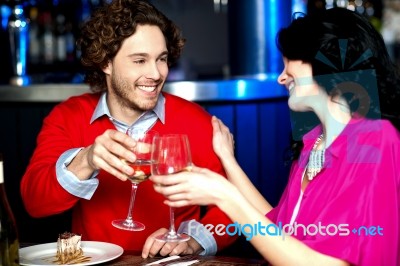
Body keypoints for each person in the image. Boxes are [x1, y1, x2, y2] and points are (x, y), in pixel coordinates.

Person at [150, 7, 400, 266]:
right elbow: (276, 228)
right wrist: (228, 161)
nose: (281, 77)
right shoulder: (314, 143)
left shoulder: (374, 141)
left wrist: (224, 195)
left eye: (291, 60)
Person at [20, 0, 236, 258]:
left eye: (161, 59)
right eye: (139, 60)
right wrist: (86, 159)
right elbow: (34, 203)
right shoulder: (68, 116)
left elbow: (235, 210)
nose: (156, 73)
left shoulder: (196, 121)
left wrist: (193, 240)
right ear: (106, 63)